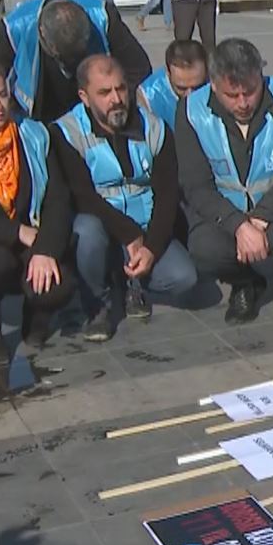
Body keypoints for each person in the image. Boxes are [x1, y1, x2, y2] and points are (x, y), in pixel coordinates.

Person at [177, 39, 273, 324]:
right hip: (225, 211)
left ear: (260, 77)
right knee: (204, 250)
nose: (243, 103)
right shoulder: (191, 111)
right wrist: (238, 224)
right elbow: (196, 185)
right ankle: (244, 283)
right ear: (214, 86)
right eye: (232, 95)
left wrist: (260, 218)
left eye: (250, 92)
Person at [55, 55, 196, 341]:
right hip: (103, 231)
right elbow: (82, 196)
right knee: (86, 230)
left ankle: (135, 282)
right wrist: (129, 235)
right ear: (84, 96)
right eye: (104, 93)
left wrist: (151, 247)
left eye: (121, 89)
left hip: (145, 227)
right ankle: (99, 304)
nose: (117, 99)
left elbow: (168, 194)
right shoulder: (66, 132)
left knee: (185, 278)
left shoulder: (154, 128)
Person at [0, 54, 74, 371]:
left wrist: (46, 249)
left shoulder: (32, 135)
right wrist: (15, 232)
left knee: (58, 283)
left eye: (2, 95)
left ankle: (36, 320)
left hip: (30, 238)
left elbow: (57, 197)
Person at [0, 0, 151, 123]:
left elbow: (139, 70)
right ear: (43, 35)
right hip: (40, 117)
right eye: (64, 59)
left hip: (94, 117)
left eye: (77, 57)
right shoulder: (15, 27)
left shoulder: (103, 16)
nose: (69, 68)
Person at [138, 39, 207, 128]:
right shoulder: (147, 98)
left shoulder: (217, 86)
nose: (190, 95)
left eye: (198, 87)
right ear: (168, 72)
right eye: (181, 88)